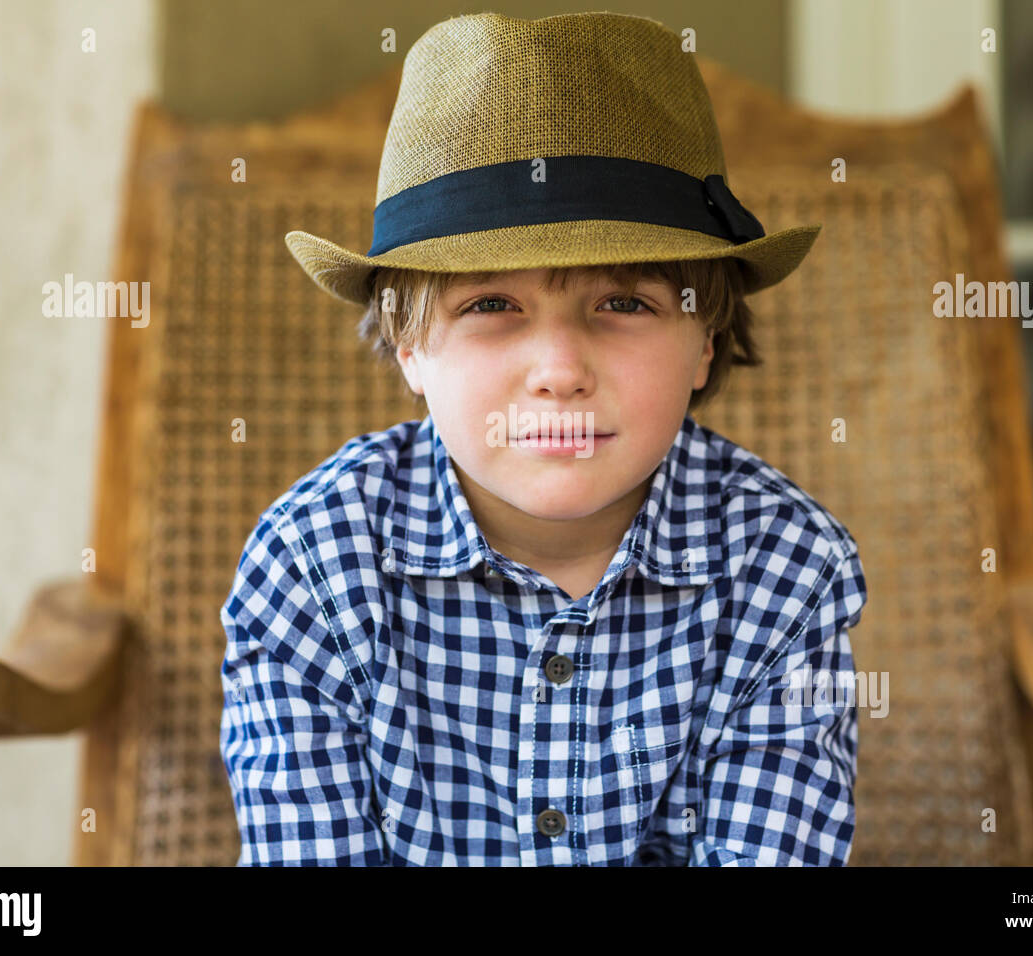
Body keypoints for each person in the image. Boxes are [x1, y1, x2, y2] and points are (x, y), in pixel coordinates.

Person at [220, 10, 866, 865]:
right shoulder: (313, 563)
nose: (560, 368)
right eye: (492, 306)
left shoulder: (783, 566)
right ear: (409, 347)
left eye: (624, 303)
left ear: (705, 336)